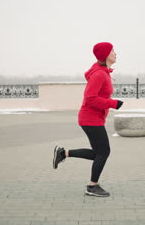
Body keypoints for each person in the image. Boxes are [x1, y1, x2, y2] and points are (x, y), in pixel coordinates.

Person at [52, 42, 123, 197]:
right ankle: (92, 186)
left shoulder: (102, 72)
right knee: (104, 152)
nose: (116, 53)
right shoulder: (99, 74)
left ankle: (63, 153)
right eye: (112, 51)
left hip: (93, 118)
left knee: (99, 153)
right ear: (106, 55)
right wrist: (113, 103)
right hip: (90, 118)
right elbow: (90, 98)